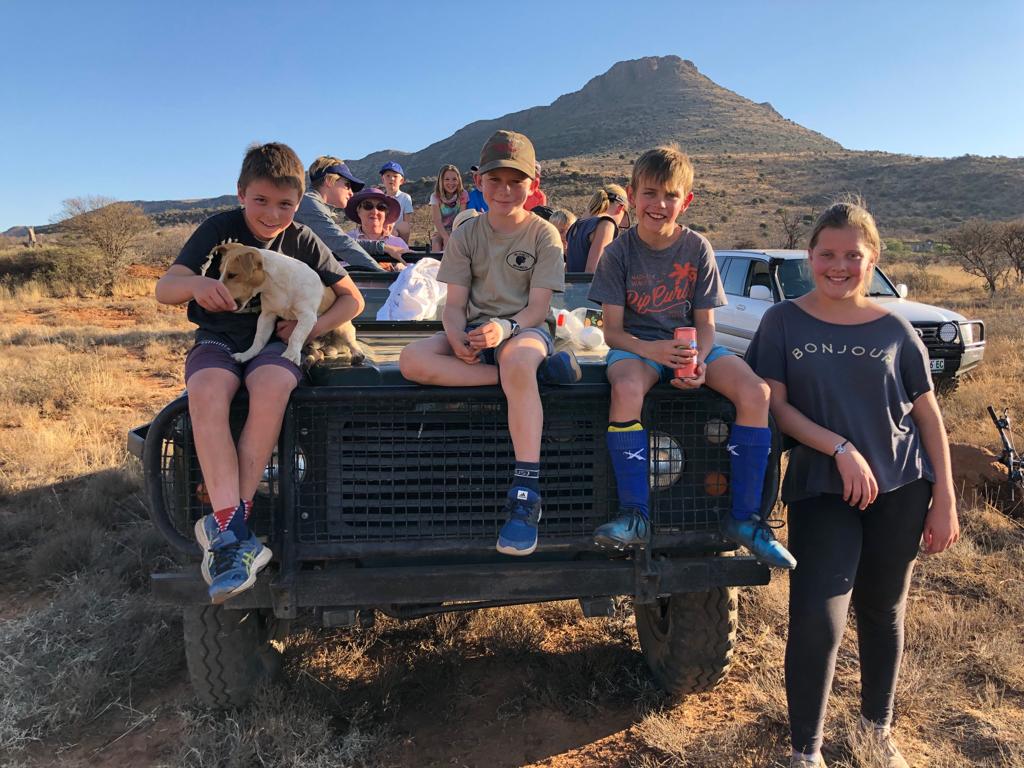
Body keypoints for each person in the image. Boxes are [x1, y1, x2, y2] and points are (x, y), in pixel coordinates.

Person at [745, 199, 959, 768]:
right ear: (810, 256)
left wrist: (945, 498)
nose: (838, 266)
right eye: (827, 254)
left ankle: (876, 733)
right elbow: (777, 407)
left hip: (902, 485)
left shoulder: (895, 328)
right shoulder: (783, 321)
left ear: (873, 260)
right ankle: (805, 752)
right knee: (817, 613)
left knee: (883, 609)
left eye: (852, 256)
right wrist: (840, 449)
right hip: (822, 486)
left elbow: (928, 415)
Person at [155, 142, 365, 603]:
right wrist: (198, 284)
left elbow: (353, 300)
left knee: (274, 384)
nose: (272, 215)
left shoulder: (303, 240)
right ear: (241, 194)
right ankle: (236, 534)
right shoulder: (219, 231)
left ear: (300, 201)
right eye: (261, 201)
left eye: (285, 204)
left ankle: (229, 528)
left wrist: (310, 329)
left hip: (273, 343)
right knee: (206, 390)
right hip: (219, 338)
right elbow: (165, 289)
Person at [587, 145, 795, 570]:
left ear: (687, 201)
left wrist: (697, 360)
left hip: (693, 345)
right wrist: (653, 350)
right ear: (632, 195)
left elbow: (706, 324)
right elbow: (612, 332)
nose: (659, 204)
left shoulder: (698, 248)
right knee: (626, 388)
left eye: (670, 195)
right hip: (637, 347)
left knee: (756, 393)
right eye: (649, 193)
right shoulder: (618, 253)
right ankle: (635, 514)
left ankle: (745, 519)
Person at [400, 130, 582, 557]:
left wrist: (506, 328)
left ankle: (526, 494)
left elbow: (538, 308)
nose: (505, 190)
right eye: (495, 179)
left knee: (518, 360)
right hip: (476, 331)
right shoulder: (466, 235)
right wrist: (454, 336)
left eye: (516, 181)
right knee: (411, 359)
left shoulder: (543, 235)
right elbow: (454, 306)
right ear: (478, 181)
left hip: (525, 330)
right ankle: (529, 381)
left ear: (533, 185)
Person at [294, 156, 385, 272]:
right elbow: (341, 243)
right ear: (329, 180)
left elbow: (343, 240)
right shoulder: (310, 204)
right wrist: (382, 274)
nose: (351, 193)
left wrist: (383, 247)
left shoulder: (311, 204)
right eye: (347, 185)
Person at [565, 184, 629, 272]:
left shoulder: (574, 226)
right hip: (590, 282)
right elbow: (595, 270)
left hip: (572, 281)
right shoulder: (605, 224)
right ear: (620, 208)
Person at [344, 187, 409, 269]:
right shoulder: (345, 240)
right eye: (368, 206)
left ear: (386, 213)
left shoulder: (398, 243)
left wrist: (396, 266)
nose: (375, 211)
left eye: (381, 207)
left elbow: (410, 270)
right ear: (358, 211)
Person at [429, 163, 470, 251]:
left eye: (454, 179)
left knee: (452, 244)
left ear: (458, 180)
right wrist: (445, 237)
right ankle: (436, 260)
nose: (451, 183)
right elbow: (437, 220)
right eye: (447, 179)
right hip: (441, 230)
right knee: (436, 242)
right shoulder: (435, 196)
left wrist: (453, 235)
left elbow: (461, 218)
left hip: (457, 229)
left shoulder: (463, 194)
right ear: (441, 181)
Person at [379, 161, 414, 243]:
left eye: (395, 176)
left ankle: (403, 247)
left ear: (401, 181)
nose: (391, 179)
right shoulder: (379, 198)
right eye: (388, 176)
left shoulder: (405, 197)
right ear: (383, 179)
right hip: (381, 231)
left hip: (398, 233)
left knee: (403, 227)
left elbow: (407, 223)